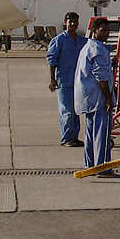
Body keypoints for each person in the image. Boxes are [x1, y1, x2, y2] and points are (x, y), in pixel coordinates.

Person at [75, 18, 118, 176]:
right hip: (98, 98)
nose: (106, 34)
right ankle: (103, 167)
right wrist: (108, 98)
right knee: (102, 135)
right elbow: (101, 77)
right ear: (95, 31)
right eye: (103, 31)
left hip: (88, 99)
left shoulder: (90, 46)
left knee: (91, 134)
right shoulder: (98, 50)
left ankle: (90, 165)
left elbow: (107, 49)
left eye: (108, 31)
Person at [45, 12, 87, 147]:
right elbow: (52, 61)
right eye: (70, 22)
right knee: (67, 112)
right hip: (64, 81)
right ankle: (67, 138)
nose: (73, 24)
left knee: (76, 111)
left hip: (79, 83)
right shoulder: (58, 41)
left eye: (75, 22)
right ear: (65, 23)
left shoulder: (82, 41)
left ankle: (74, 137)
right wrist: (52, 79)